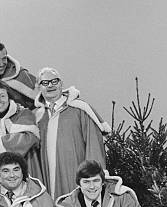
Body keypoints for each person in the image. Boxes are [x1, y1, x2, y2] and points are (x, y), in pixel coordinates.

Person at [33, 67, 110, 199]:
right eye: (45, 83)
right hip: (47, 178)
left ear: (61, 83)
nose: (50, 85)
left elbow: (94, 144)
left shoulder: (79, 109)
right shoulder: (36, 117)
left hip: (75, 172)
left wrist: (93, 177)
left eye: (54, 81)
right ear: (39, 87)